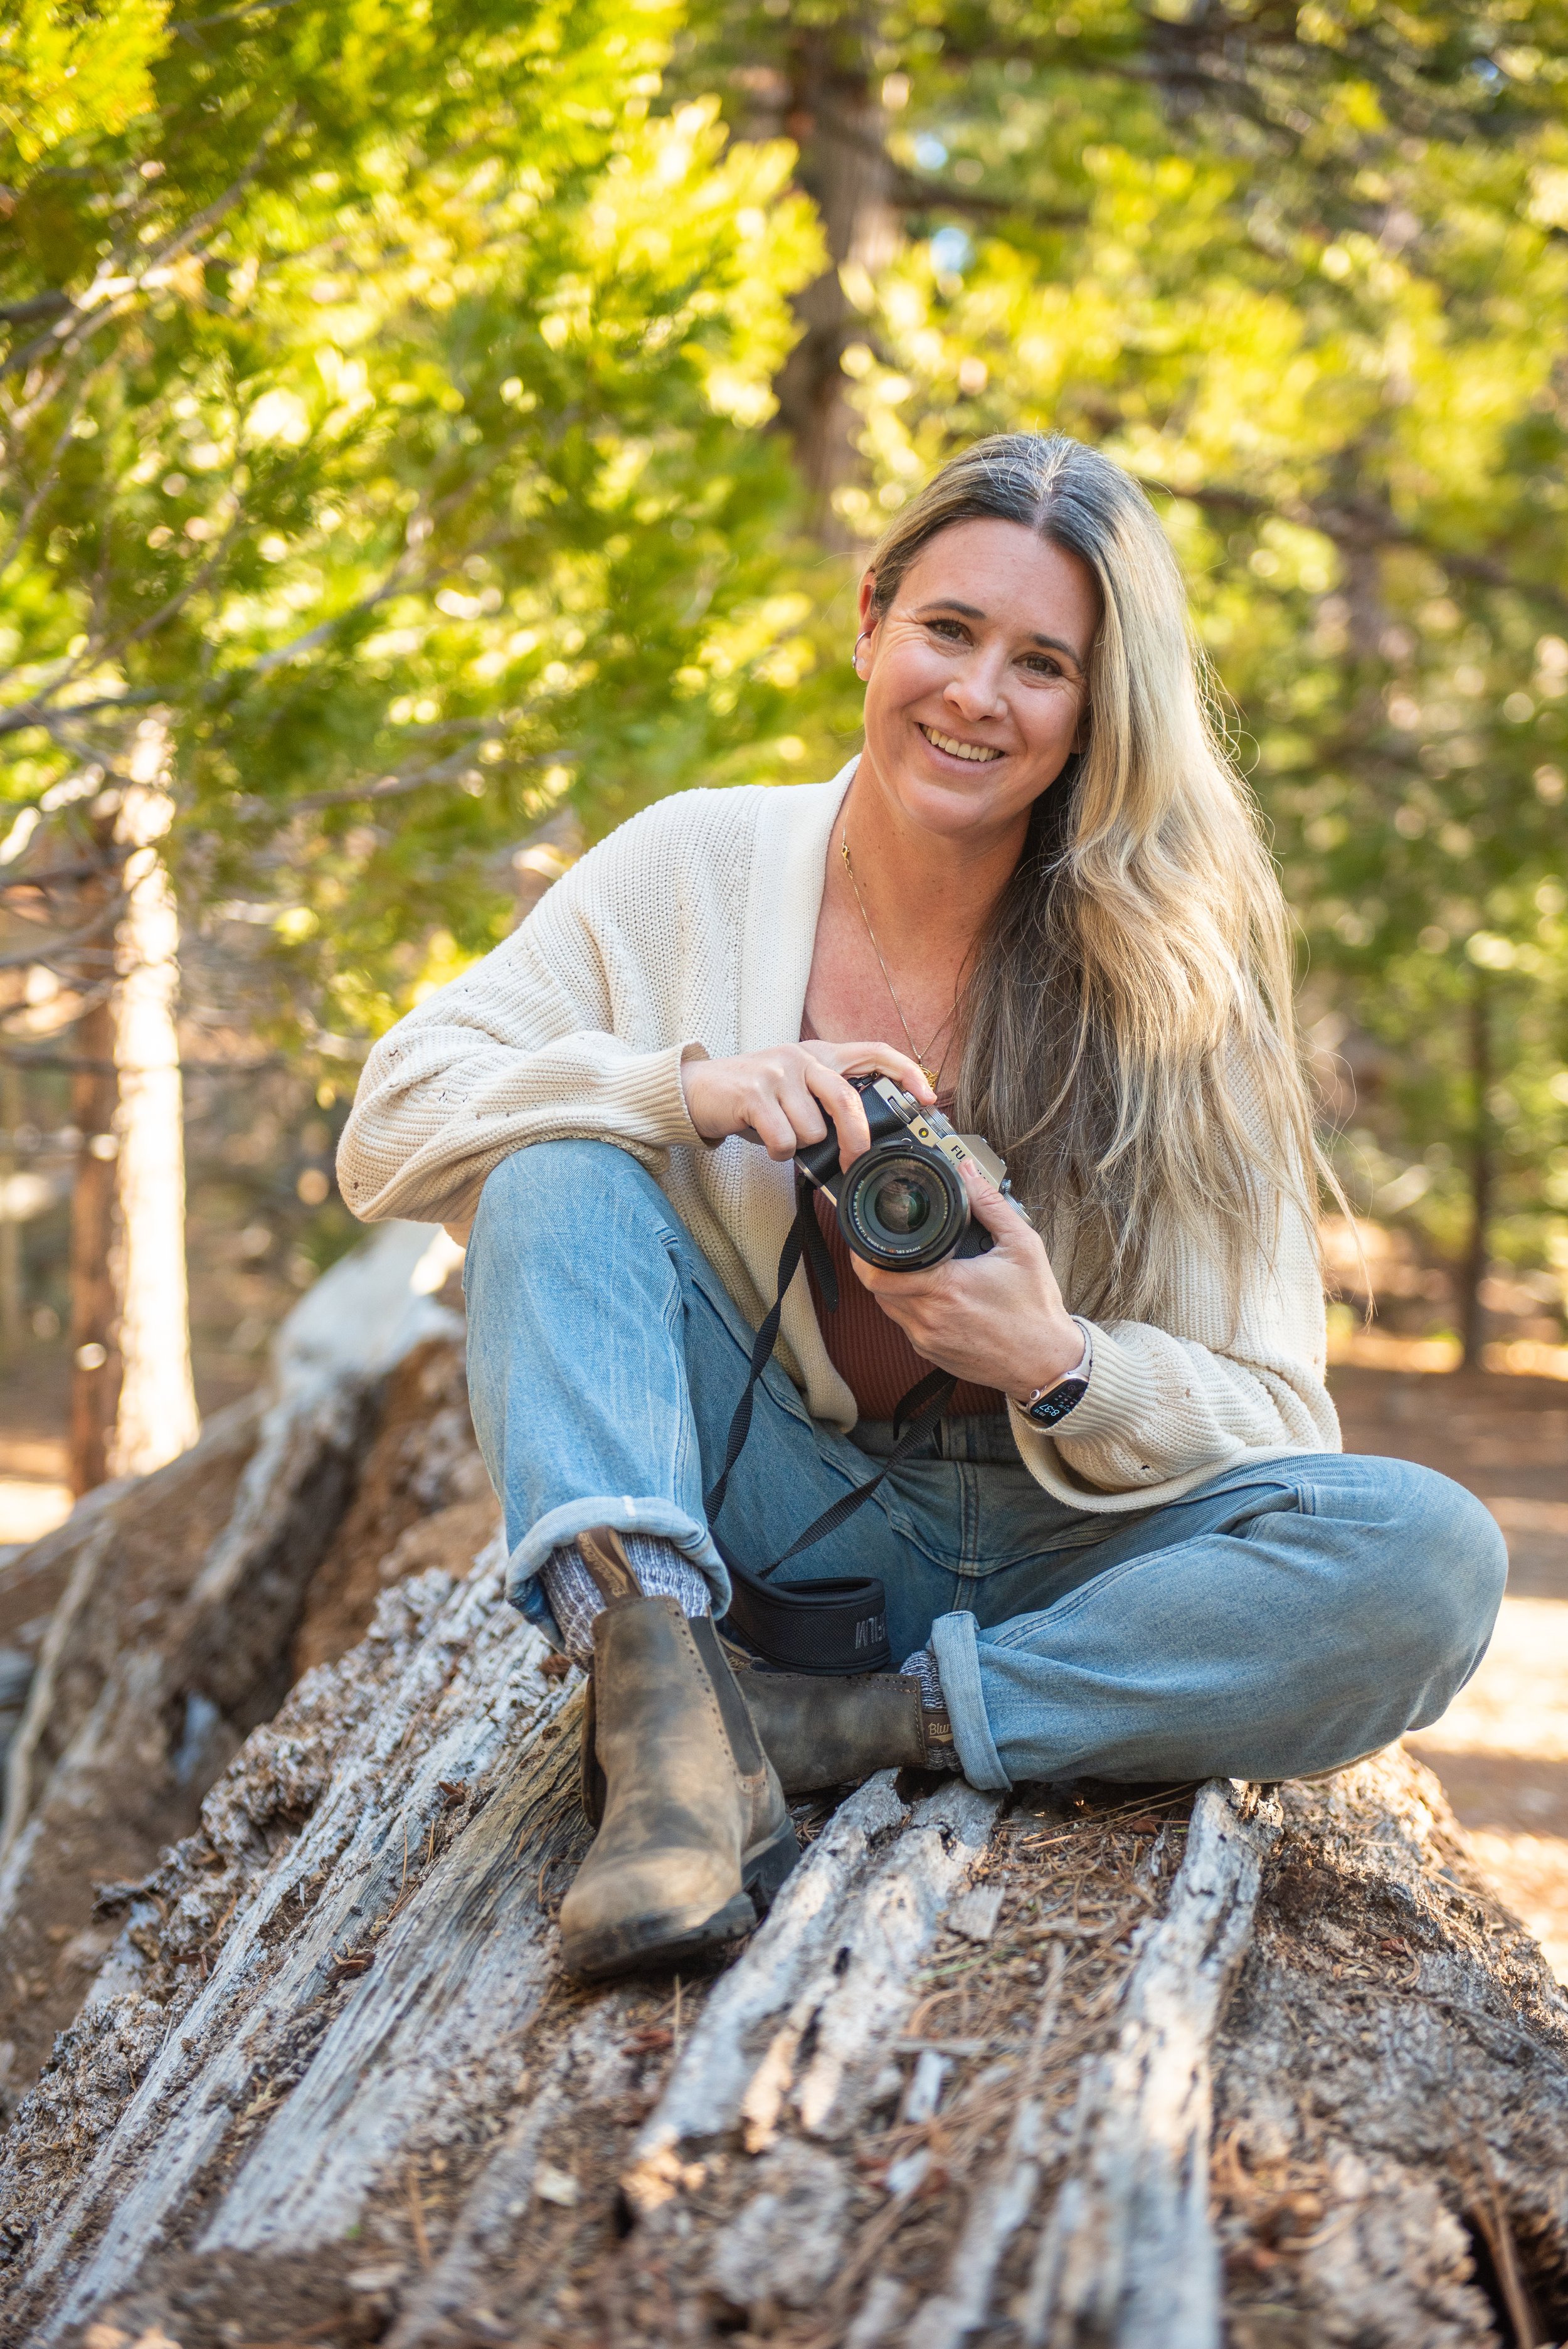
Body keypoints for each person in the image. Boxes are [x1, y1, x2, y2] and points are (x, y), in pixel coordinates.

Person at [339, 432, 1507, 1983]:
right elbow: (390, 1123)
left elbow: (1285, 1426)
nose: (974, 695)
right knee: (554, 1170)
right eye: (947, 630)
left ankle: (831, 1729)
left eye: (1041, 663)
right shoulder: (697, 863)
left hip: (1069, 1545)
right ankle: (666, 1710)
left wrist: (1059, 1359)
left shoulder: (1168, 972)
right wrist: (685, 1088)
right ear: (869, 616)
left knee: (1431, 1557)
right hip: (776, 1525)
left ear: (1095, 711)